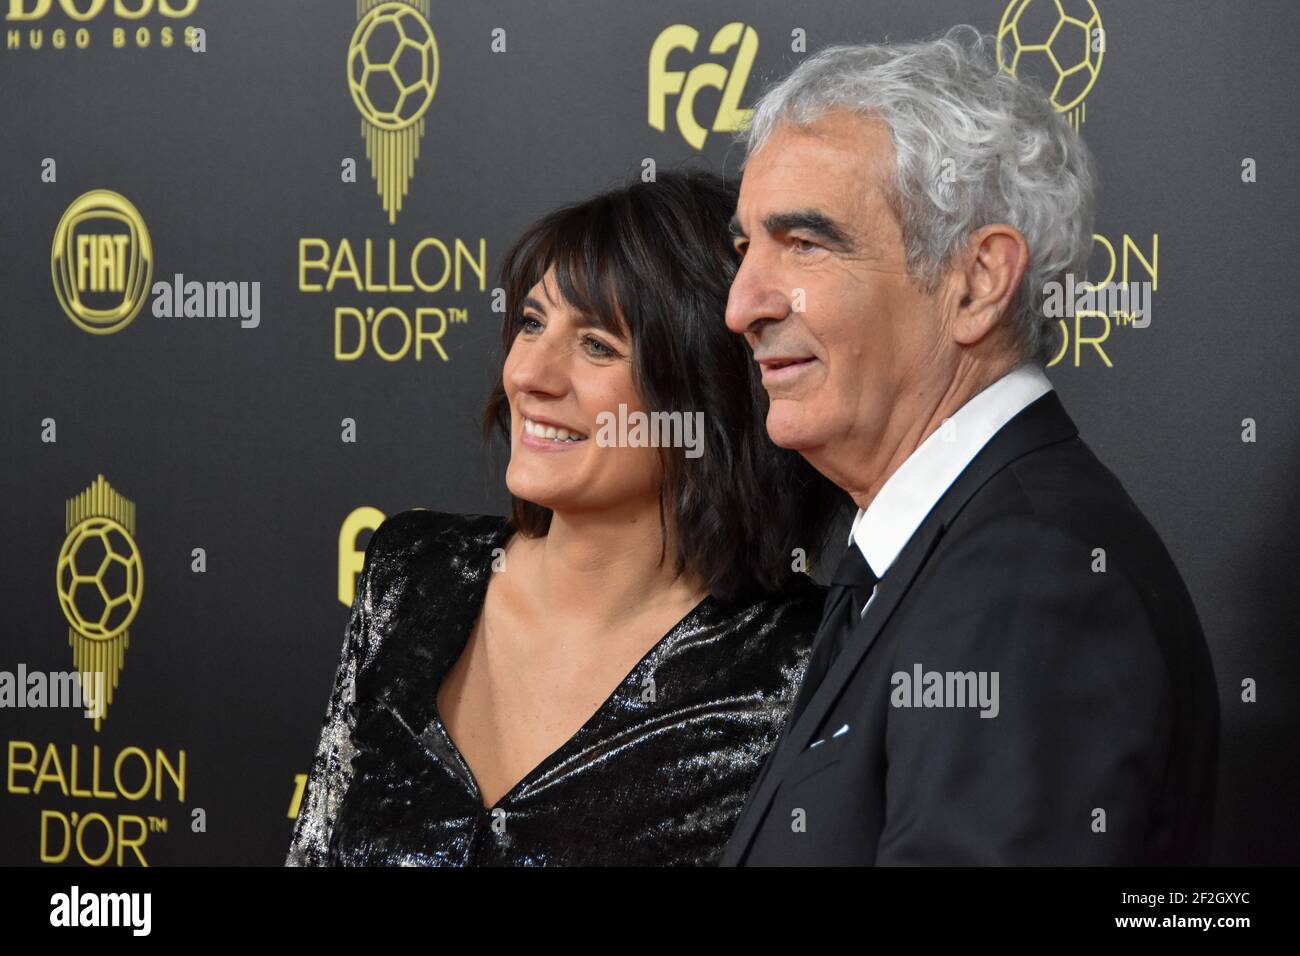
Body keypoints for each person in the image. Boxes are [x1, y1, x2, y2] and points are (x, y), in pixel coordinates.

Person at [720, 26, 1219, 865]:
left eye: (804, 243)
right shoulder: (945, 555)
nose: (742, 305)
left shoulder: (1032, 583)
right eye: (746, 248)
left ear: (978, 281)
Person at [285, 168, 843, 866]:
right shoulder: (411, 571)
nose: (529, 375)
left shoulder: (803, 663)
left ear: (706, 396)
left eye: (597, 345)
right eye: (531, 322)